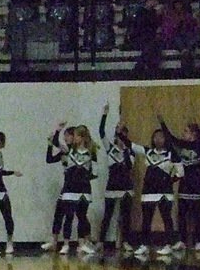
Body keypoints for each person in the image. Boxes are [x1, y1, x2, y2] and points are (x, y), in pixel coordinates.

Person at [159, 116, 200, 251]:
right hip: (184, 185)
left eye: (186, 131)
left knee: (197, 214)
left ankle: (199, 240)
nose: (183, 134)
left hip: (197, 185)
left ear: (193, 134)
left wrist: (198, 168)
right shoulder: (182, 145)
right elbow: (171, 138)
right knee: (181, 214)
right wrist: (162, 123)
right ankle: (182, 240)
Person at [42, 124, 97, 255]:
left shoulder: (90, 151)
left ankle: (83, 241)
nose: (66, 138)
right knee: (64, 214)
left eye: (68, 136)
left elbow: (94, 169)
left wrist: (88, 174)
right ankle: (60, 242)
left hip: (82, 187)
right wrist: (57, 130)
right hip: (69, 187)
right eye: (65, 136)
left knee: (82, 216)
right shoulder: (68, 150)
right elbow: (51, 154)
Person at [97, 103, 140, 255]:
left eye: (122, 135)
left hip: (126, 186)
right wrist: (105, 114)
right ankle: (101, 241)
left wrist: (125, 151)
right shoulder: (110, 148)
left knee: (126, 216)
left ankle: (126, 241)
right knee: (107, 215)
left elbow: (129, 166)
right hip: (112, 185)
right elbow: (101, 132)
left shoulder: (131, 151)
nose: (119, 137)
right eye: (117, 134)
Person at [134, 128, 182, 258]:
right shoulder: (148, 152)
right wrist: (120, 133)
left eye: (161, 137)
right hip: (148, 191)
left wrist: (169, 181)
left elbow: (180, 172)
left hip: (164, 192)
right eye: (155, 137)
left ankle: (169, 244)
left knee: (166, 218)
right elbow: (132, 146)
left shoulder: (171, 154)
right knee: (146, 219)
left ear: (165, 139)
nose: (158, 139)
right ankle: (144, 244)